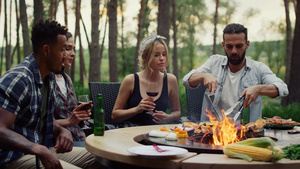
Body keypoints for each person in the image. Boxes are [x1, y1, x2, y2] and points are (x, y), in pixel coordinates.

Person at [0, 19, 96, 169]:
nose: (66, 55)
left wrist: (62, 130)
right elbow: (0, 129)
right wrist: (36, 149)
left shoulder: (48, 78)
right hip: (13, 156)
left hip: (43, 149)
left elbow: (43, 118)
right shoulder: (19, 79)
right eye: (62, 50)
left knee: (102, 158)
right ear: (46, 50)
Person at [183, 23, 289, 123]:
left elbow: (283, 89)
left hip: (246, 134)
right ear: (223, 45)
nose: (234, 51)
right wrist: (204, 75)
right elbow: (186, 81)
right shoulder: (214, 62)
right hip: (211, 132)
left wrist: (258, 89)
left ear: (247, 44)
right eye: (229, 46)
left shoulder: (258, 68)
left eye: (239, 46)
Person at [112, 33, 181, 126]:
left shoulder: (170, 80)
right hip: (131, 133)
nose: (162, 59)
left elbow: (177, 112)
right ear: (144, 57)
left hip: (159, 133)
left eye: (164, 54)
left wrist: (167, 117)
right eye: (156, 55)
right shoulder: (130, 80)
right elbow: (115, 115)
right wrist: (137, 109)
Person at [54, 32, 92, 147]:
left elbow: (71, 115)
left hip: (79, 136)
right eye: (68, 49)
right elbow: (40, 122)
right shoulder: (46, 81)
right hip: (60, 142)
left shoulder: (67, 79)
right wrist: (69, 121)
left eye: (73, 49)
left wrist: (80, 116)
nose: (73, 54)